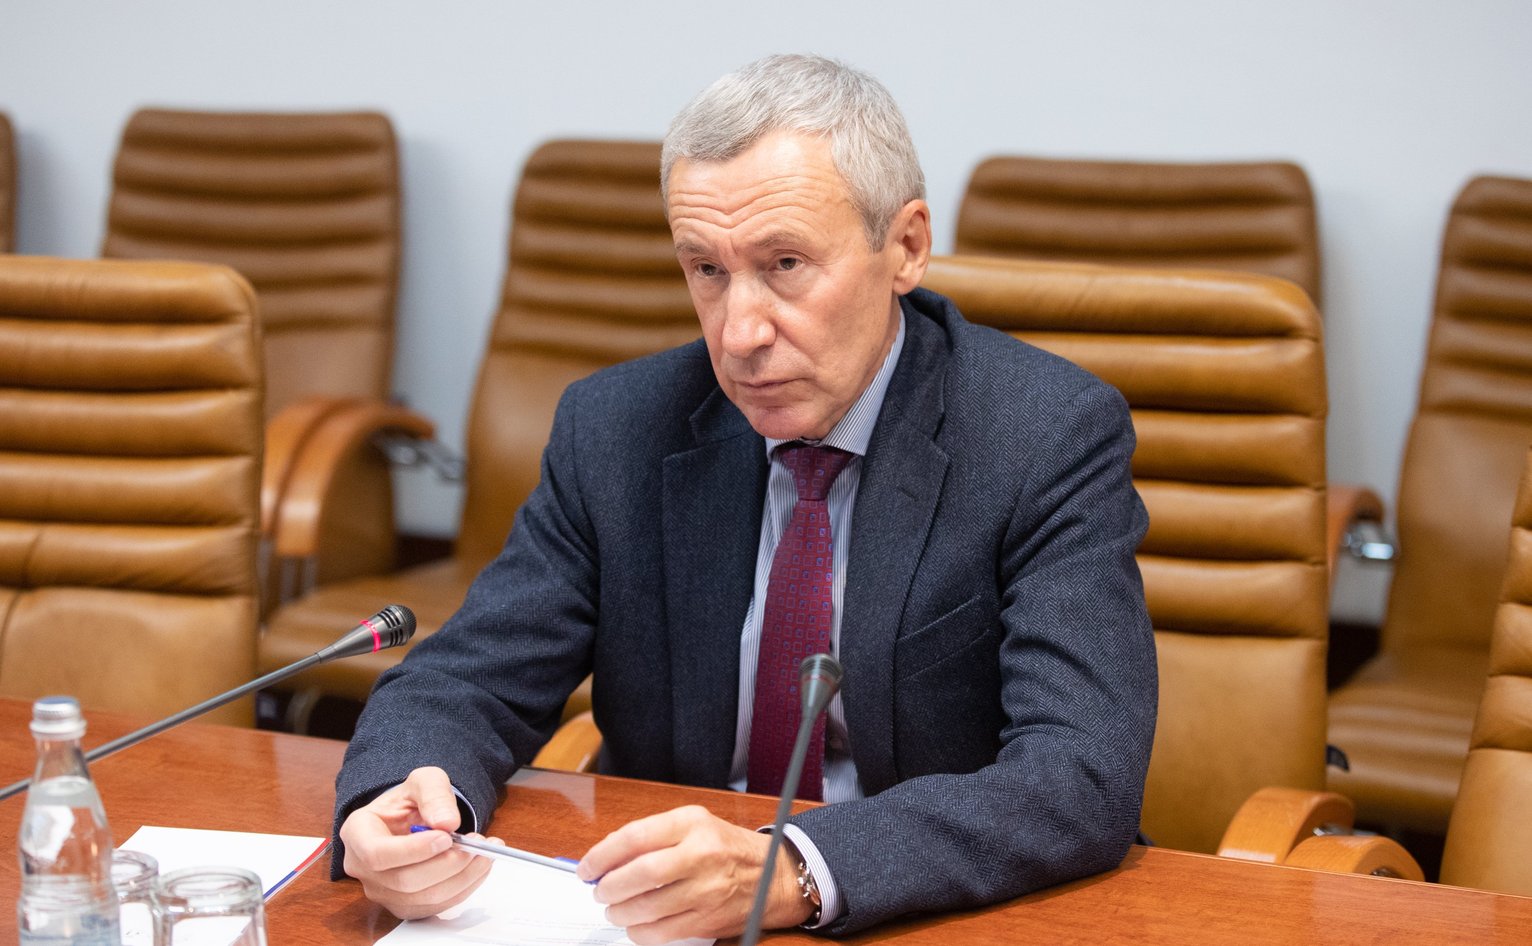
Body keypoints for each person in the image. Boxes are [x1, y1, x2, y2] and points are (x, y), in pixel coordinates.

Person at [333, 53, 1156, 942]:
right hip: (660, 918)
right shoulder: (617, 429)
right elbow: (471, 675)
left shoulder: (1041, 434)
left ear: (907, 247)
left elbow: (1079, 774)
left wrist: (796, 868)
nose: (739, 331)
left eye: (786, 263)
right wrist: (403, 799)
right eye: (707, 269)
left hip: (925, 913)